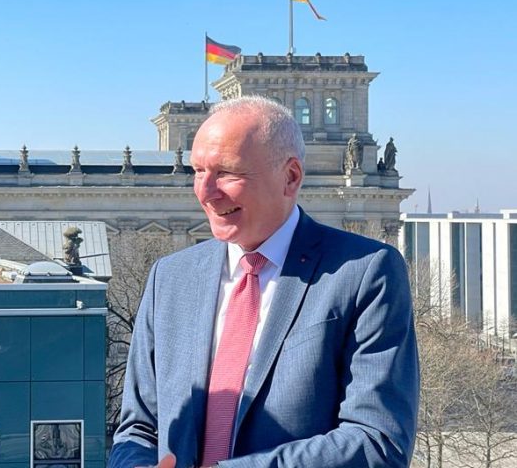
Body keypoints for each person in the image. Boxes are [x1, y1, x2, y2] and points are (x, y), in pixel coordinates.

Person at [109, 97, 418, 468]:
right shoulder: (170, 278)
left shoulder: (366, 272)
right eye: (197, 171)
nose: (205, 193)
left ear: (290, 177)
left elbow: (376, 442)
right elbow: (139, 429)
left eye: (227, 173)